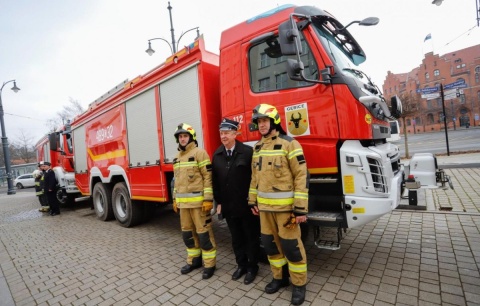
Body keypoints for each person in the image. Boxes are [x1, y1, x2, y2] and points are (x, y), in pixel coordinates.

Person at [248, 104, 309, 305]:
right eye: (259, 122)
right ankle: (279, 278)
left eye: (265, 121)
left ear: (274, 121)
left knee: (291, 247)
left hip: (286, 211)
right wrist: (252, 201)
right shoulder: (257, 147)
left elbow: (301, 176)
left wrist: (300, 208)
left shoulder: (290, 144)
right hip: (265, 211)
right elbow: (254, 178)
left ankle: (299, 284)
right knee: (270, 246)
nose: (262, 125)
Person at [212, 118, 260, 285]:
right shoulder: (217, 154)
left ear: (234, 134)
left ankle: (253, 267)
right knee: (236, 238)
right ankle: (241, 265)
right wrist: (219, 202)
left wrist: (255, 201)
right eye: (221, 133)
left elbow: (256, 178)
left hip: (246, 206)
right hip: (229, 207)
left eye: (226, 133)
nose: (223, 136)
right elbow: (215, 182)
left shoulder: (247, 152)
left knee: (250, 237)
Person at [172, 123, 217, 279]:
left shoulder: (200, 153)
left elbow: (208, 177)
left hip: (199, 205)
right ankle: (194, 261)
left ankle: (210, 264)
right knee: (188, 235)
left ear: (191, 137)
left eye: (185, 136)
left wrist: (208, 199)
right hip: (183, 205)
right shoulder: (177, 157)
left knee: (204, 234)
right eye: (180, 136)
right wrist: (174, 199)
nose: (182, 139)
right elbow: (176, 181)